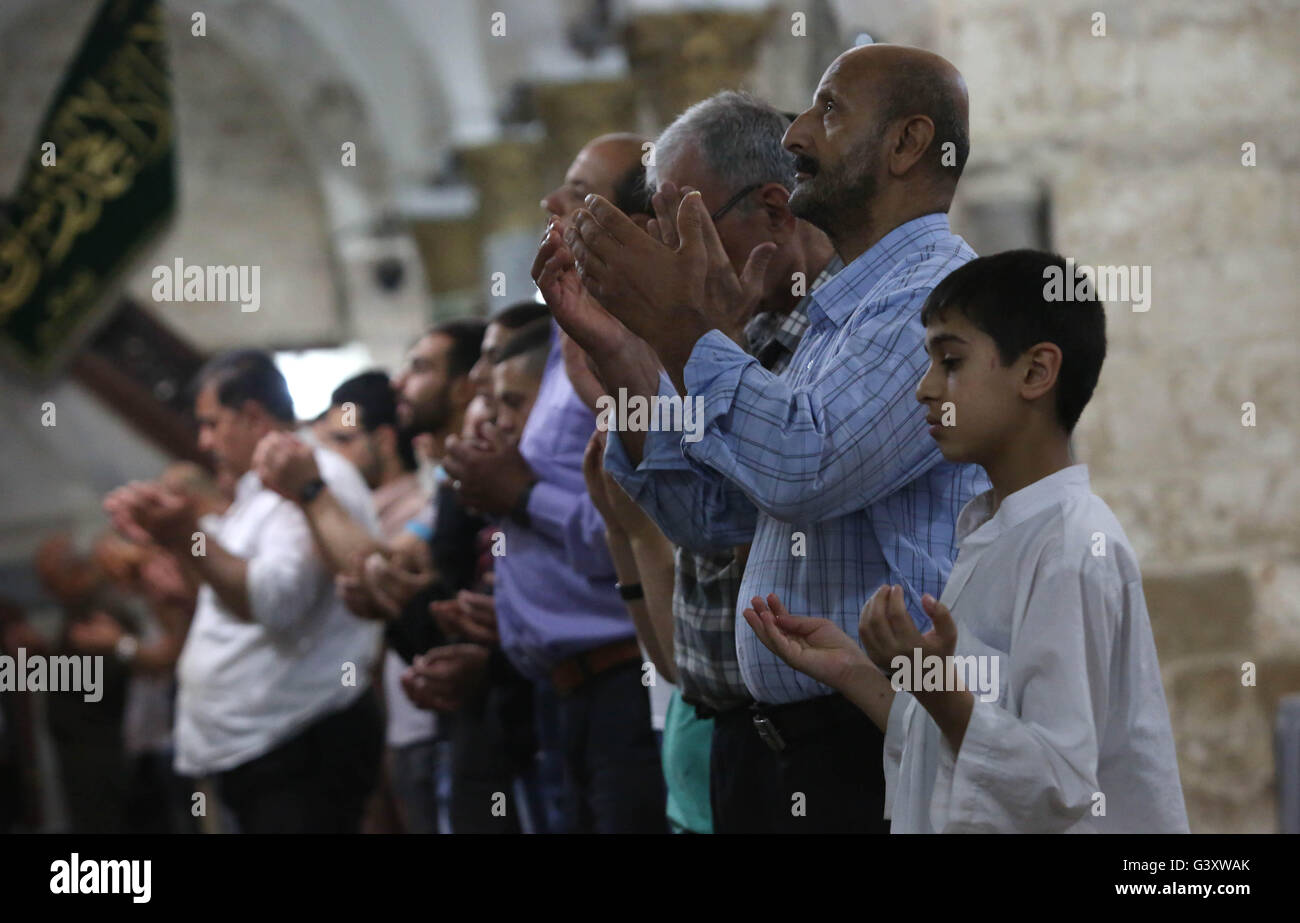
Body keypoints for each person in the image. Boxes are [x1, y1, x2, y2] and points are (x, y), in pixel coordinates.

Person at [541, 44, 988, 832]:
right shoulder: (840, 312)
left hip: (870, 742)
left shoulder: (929, 300)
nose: (797, 135)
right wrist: (621, 353)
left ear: (908, 143)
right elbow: (709, 516)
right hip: (782, 748)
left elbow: (800, 469)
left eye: (829, 110)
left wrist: (685, 328)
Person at [745, 249, 1189, 832]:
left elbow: (1058, 782)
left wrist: (936, 682)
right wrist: (854, 670)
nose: (925, 389)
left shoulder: (1074, 548)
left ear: (1035, 373)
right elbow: (949, 745)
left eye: (949, 361)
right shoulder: (992, 530)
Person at [444, 133, 667, 834]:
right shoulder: (568, 345)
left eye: (575, 192)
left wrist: (519, 494)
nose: (550, 204)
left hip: (626, 675)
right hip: (566, 687)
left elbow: (651, 517)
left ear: (635, 219)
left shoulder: (627, 350)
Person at [104, 350, 384, 833]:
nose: (204, 440)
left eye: (211, 424)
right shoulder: (259, 491)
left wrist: (184, 533)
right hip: (268, 749)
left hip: (299, 745)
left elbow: (270, 602)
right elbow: (228, 596)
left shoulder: (314, 475)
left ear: (253, 415)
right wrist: (173, 544)